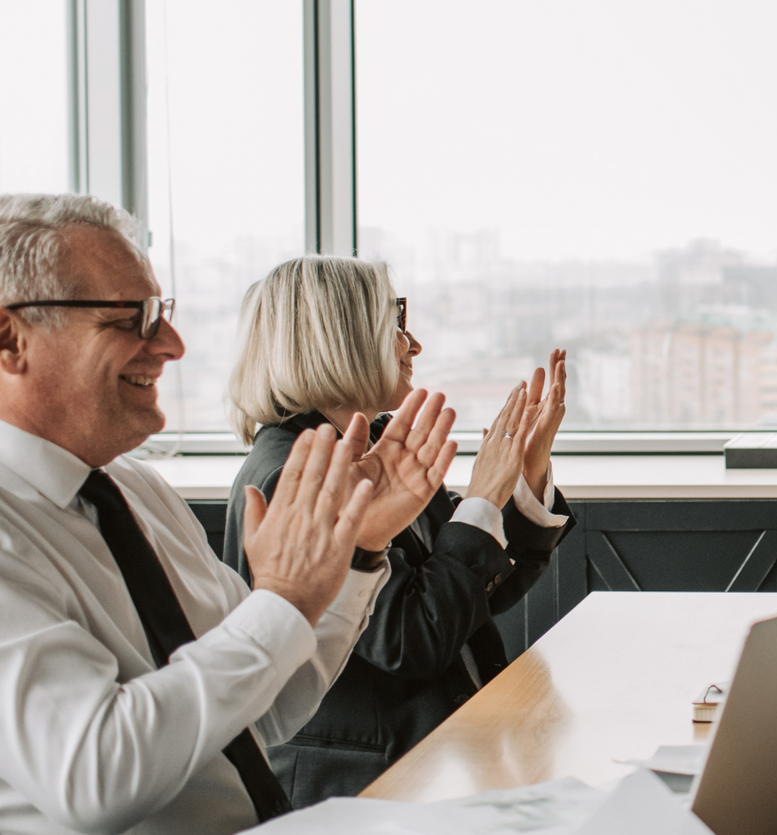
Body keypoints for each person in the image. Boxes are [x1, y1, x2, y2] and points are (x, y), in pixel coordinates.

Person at [0, 194, 462, 834]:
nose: (171, 344)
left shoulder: (139, 491)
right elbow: (95, 775)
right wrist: (282, 602)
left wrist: (359, 553)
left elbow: (264, 708)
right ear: (9, 339)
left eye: (162, 312)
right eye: (132, 318)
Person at [221, 256, 574, 805]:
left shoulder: (378, 440)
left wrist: (518, 480)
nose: (413, 345)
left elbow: (471, 594)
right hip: (367, 790)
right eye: (396, 323)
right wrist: (482, 497)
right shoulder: (292, 472)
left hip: (442, 760)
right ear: (340, 339)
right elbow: (413, 639)